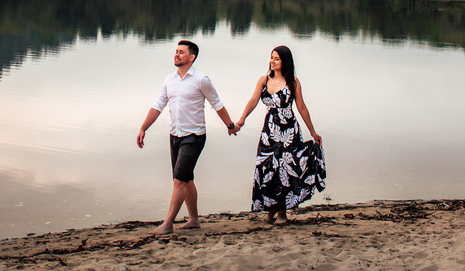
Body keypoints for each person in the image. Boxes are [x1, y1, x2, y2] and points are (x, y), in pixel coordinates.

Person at [136, 39, 238, 235]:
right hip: (175, 135)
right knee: (186, 178)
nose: (176, 54)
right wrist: (143, 128)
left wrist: (230, 125)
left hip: (194, 136)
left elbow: (217, 103)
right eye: (176, 51)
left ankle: (168, 224)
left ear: (191, 57)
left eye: (181, 52)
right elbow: (158, 106)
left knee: (179, 180)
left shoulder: (201, 80)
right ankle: (193, 220)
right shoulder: (169, 80)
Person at [234, 45, 325, 225]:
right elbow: (253, 100)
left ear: (285, 61)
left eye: (276, 58)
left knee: (284, 169)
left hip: (289, 130)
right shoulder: (264, 80)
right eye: (271, 58)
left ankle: (282, 213)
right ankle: (269, 211)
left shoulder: (293, 82)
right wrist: (241, 119)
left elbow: (302, 107)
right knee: (266, 169)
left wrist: (313, 131)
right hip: (269, 131)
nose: (272, 61)